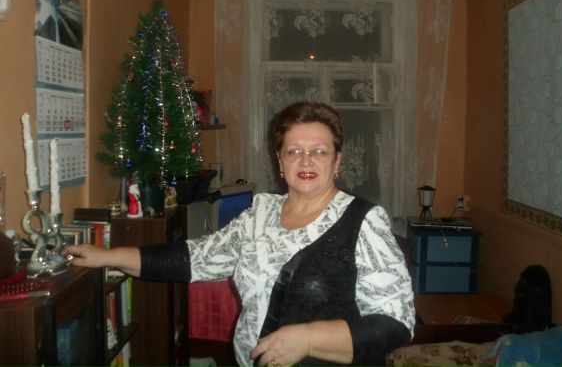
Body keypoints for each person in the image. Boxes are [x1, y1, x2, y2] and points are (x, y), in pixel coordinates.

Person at [63, 101, 415, 367]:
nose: (306, 160)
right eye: (294, 151)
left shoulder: (364, 221)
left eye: (319, 152)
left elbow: (397, 324)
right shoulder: (260, 214)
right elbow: (193, 257)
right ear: (280, 161)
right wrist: (107, 256)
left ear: (337, 161)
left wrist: (308, 339)